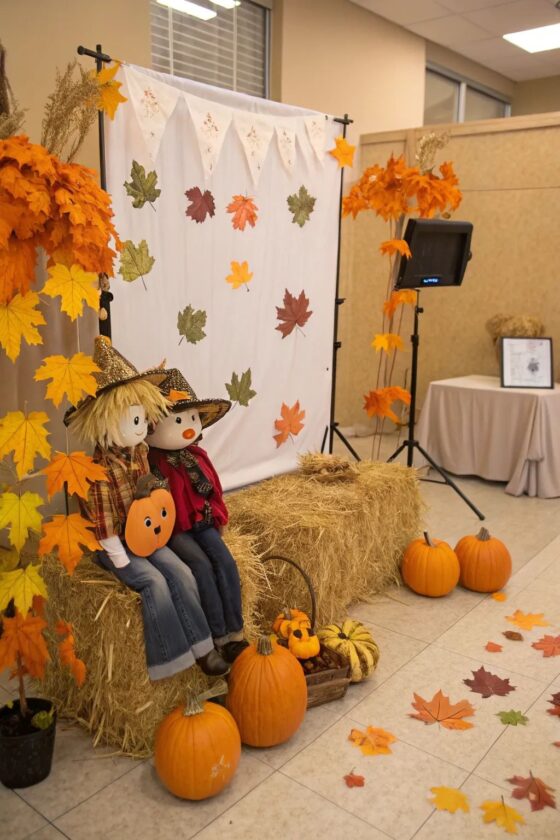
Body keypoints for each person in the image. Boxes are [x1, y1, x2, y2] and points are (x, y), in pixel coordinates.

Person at [65, 336, 229, 680]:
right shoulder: (97, 471)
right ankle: (170, 658)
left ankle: (203, 649)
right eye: (133, 420)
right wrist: (123, 559)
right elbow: (104, 525)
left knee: (181, 572)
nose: (142, 427)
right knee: (154, 582)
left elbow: (152, 496)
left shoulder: (140, 452)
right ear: (105, 421)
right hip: (116, 546)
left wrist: (156, 521)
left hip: (145, 535)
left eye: (142, 418)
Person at [147, 368, 248, 663]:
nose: (189, 427)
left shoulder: (198, 457)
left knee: (225, 561)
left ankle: (236, 632)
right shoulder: (154, 464)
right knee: (201, 567)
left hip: (202, 522)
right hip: (176, 530)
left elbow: (214, 490)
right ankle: (218, 635)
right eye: (179, 420)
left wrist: (220, 518)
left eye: (192, 419)